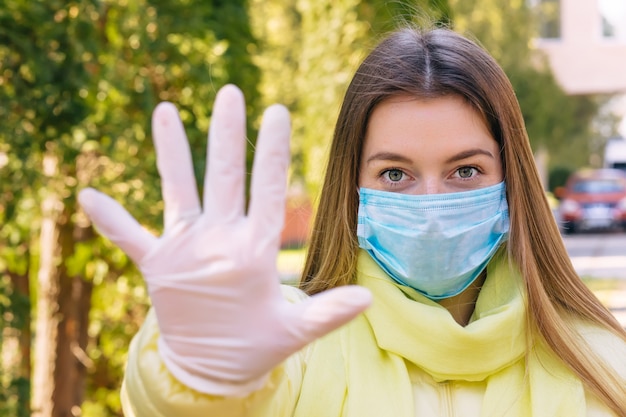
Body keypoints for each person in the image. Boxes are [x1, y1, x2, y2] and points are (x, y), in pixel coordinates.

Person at [79, 25, 626, 416]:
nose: (431, 206)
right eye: (394, 175)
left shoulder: (604, 365)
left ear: (512, 185)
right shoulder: (291, 347)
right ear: (353, 189)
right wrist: (196, 367)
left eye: (464, 170)